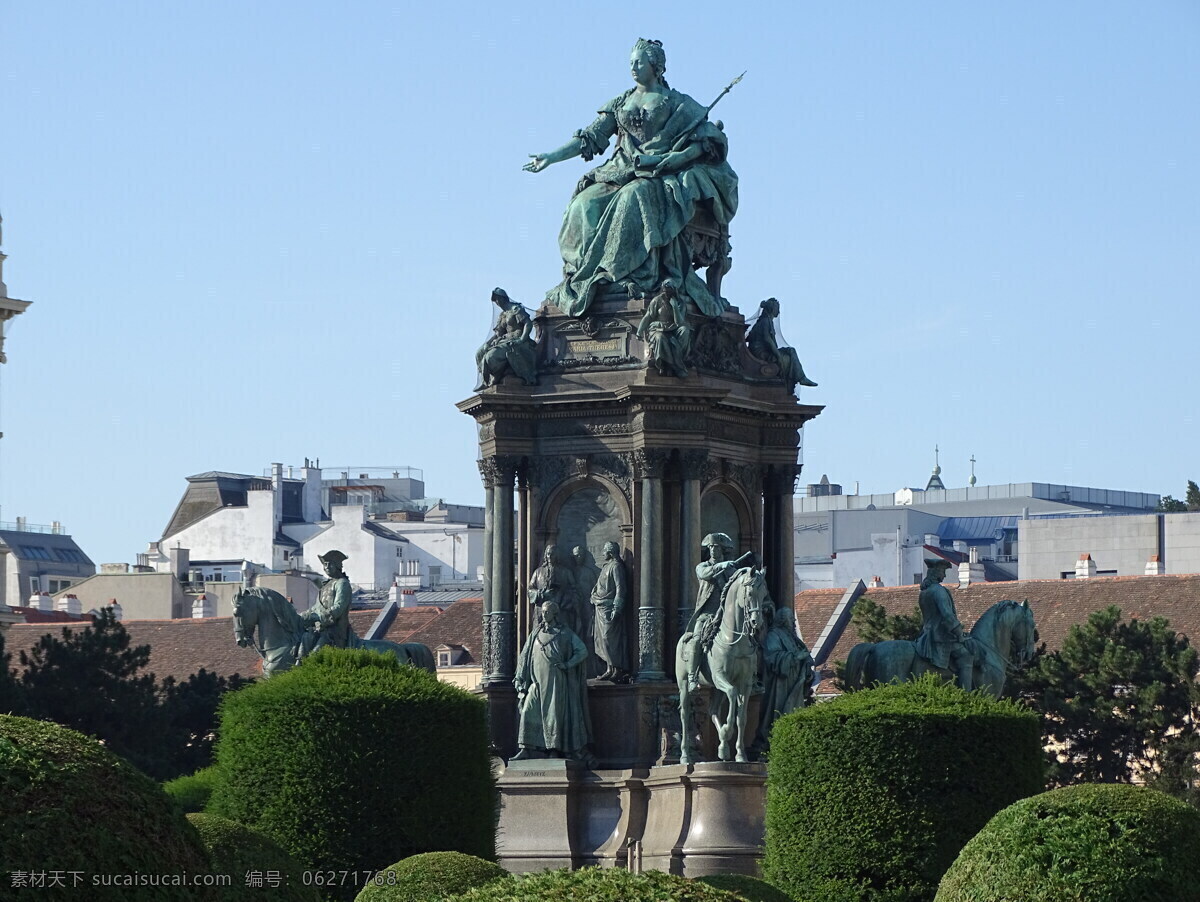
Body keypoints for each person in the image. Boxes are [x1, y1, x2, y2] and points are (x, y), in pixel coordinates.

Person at [524, 39, 738, 317]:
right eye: (631, 63)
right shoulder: (621, 102)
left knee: (632, 197)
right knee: (582, 205)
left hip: (658, 175)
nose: (633, 67)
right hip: (620, 170)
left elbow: (711, 141)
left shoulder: (679, 104)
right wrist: (551, 157)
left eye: (639, 62)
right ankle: (590, 280)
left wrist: (676, 159)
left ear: (656, 66)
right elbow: (590, 138)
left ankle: (626, 276)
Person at [513, 601, 593, 760]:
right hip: (535, 684)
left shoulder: (565, 633)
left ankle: (554, 749)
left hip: (555, 682)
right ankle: (526, 748)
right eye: (542, 612)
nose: (544, 615)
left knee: (553, 715)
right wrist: (520, 678)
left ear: (555, 614)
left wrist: (568, 664)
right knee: (528, 711)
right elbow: (524, 656)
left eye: (547, 612)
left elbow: (582, 651)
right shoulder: (535, 634)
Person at [681, 533, 754, 691]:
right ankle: (692, 677)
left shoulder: (730, 569)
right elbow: (704, 574)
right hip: (707, 615)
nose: (713, 550)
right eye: (711, 547)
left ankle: (751, 677)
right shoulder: (703, 566)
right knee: (697, 640)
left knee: (751, 639)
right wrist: (722, 565)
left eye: (716, 547)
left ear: (722, 549)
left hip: (725, 615)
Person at [753, 606, 814, 753]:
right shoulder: (774, 635)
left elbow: (802, 653)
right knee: (777, 711)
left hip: (794, 682)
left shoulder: (792, 637)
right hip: (779, 682)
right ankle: (772, 740)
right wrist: (795, 658)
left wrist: (805, 664)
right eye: (790, 619)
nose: (793, 622)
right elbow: (772, 657)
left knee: (794, 710)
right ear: (782, 620)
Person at [913, 558, 973, 690]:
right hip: (940, 637)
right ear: (935, 572)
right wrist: (959, 634)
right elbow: (947, 616)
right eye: (942, 572)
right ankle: (966, 695)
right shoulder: (938, 591)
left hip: (925, 635)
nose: (944, 575)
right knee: (966, 658)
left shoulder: (924, 592)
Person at [747, 298, 817, 392]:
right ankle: (800, 378)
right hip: (761, 353)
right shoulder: (765, 322)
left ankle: (801, 377)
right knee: (788, 355)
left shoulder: (767, 321)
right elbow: (767, 340)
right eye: (777, 308)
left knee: (791, 350)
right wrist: (777, 354)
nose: (778, 311)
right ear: (771, 309)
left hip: (765, 350)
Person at [475, 288, 538, 389]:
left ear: (502, 298)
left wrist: (522, 339)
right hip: (504, 340)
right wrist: (488, 343)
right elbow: (498, 333)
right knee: (479, 353)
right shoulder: (503, 314)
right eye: (494, 300)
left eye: (497, 299)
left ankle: (495, 376)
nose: (496, 302)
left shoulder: (515, 309)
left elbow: (528, 324)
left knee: (490, 357)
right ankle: (486, 380)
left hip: (517, 340)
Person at [299, 550, 356, 657]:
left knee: (314, 656)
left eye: (330, 564)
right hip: (320, 629)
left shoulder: (342, 583)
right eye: (325, 564)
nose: (327, 567)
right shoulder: (325, 586)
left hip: (334, 631)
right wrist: (302, 616)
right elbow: (315, 608)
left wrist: (318, 617)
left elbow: (338, 607)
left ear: (338, 565)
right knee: (301, 642)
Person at [590, 541, 630, 682]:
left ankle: (617, 669)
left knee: (609, 639)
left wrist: (617, 608)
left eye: (604, 551)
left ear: (610, 552)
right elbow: (598, 586)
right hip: (600, 608)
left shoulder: (616, 567)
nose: (602, 553)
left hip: (609, 608)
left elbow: (621, 588)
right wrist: (594, 594)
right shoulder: (606, 567)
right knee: (601, 640)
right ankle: (609, 668)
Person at [636, 279, 691, 377]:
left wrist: (675, 307)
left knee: (685, 331)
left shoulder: (680, 303)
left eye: (669, 290)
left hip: (674, 328)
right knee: (660, 337)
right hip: (658, 328)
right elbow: (648, 316)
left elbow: (679, 322)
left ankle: (677, 363)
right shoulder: (657, 300)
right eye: (664, 290)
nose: (666, 292)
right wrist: (640, 330)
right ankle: (669, 366)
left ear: (674, 290)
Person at [528, 544, 578, 632]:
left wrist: (562, 598)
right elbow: (530, 590)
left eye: (552, 554)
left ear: (557, 555)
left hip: (560, 610)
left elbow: (575, 592)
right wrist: (541, 594)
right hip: (541, 611)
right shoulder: (538, 572)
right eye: (548, 554)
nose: (550, 556)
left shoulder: (566, 572)